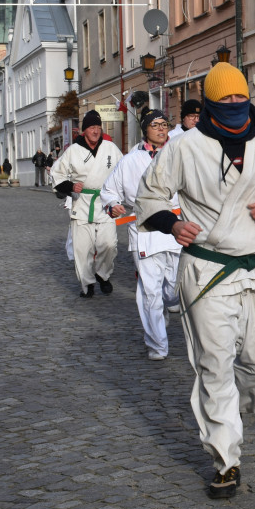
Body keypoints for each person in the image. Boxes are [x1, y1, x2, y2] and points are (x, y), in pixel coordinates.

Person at [135, 62, 255, 499]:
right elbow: (150, 195)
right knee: (214, 362)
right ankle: (226, 459)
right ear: (212, 102)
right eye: (227, 99)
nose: (236, 104)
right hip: (207, 268)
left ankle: (233, 405)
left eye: (241, 97)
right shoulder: (185, 147)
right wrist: (171, 224)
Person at [101, 109, 182, 361]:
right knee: (150, 292)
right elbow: (109, 190)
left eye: (164, 124)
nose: (161, 128)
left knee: (175, 290)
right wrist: (113, 204)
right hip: (145, 231)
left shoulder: (181, 153)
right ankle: (157, 344)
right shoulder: (130, 161)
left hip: (179, 230)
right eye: (155, 125)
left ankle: (169, 304)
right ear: (145, 129)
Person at [51, 110, 122, 297]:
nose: (96, 131)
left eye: (98, 127)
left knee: (109, 244)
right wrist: (71, 186)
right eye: (92, 127)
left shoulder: (110, 148)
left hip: (106, 203)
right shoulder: (73, 151)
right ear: (84, 131)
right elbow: (57, 174)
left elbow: (123, 171)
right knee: (82, 249)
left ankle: (103, 274)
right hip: (82, 204)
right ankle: (87, 284)